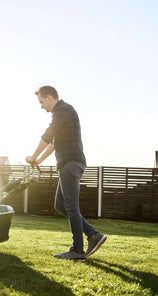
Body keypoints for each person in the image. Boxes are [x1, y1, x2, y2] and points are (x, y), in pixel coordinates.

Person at [25, 85, 106, 260]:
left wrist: (32, 155)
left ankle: (77, 250)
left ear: (49, 98)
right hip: (67, 164)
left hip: (71, 164)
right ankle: (93, 235)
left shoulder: (62, 110)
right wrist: (38, 160)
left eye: (41, 102)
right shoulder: (63, 114)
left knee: (71, 206)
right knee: (60, 205)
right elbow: (53, 142)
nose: (41, 106)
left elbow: (48, 135)